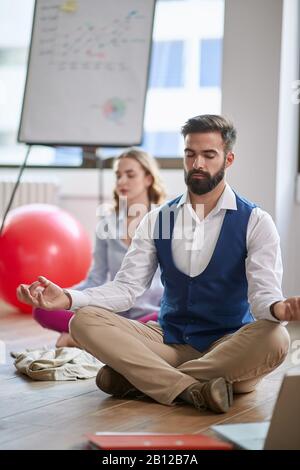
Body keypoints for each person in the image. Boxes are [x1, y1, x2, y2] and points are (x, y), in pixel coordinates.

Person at [17, 115, 298, 415]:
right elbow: (126, 289)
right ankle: (192, 388)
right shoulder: (157, 220)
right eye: (190, 154)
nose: (198, 163)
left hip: (228, 345)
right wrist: (68, 298)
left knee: (275, 336)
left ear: (228, 159)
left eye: (209, 155)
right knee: (83, 321)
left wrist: (279, 309)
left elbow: (262, 297)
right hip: (168, 341)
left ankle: (142, 379)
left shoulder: (256, 221)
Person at [32, 148, 166, 347]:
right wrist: (60, 294)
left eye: (130, 175)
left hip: (151, 313)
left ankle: (88, 338)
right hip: (113, 311)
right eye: (118, 176)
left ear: (148, 178)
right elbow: (95, 278)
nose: (122, 182)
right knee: (42, 309)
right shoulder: (107, 224)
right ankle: (112, 339)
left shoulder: (164, 221)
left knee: (168, 319)